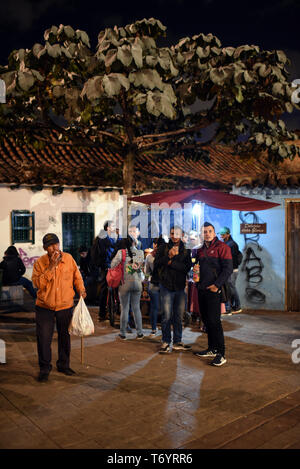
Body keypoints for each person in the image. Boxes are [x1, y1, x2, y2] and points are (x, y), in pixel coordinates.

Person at [32, 233, 86, 383]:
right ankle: (44, 368)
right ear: (45, 248)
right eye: (50, 246)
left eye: (56, 244)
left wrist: (81, 289)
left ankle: (63, 365)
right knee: (44, 338)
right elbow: (38, 284)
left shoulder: (69, 259)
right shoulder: (40, 263)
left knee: (64, 337)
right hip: (45, 307)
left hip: (65, 305)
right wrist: (51, 267)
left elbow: (77, 276)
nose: (54, 248)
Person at [193, 222, 232, 366]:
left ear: (214, 233)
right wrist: (196, 280)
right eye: (204, 232)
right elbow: (197, 268)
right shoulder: (201, 250)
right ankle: (212, 348)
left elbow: (227, 269)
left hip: (214, 291)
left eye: (209, 231)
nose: (207, 234)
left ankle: (221, 353)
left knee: (215, 322)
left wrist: (216, 285)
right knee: (207, 320)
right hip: (202, 290)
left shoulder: (223, 247)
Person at [154, 226, 192, 353]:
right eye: (172, 233)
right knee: (166, 316)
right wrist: (168, 257)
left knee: (178, 316)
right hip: (166, 286)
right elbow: (157, 264)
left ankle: (177, 341)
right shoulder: (163, 248)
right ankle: (165, 341)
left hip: (180, 287)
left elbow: (186, 268)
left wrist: (171, 263)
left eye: (177, 233)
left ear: (181, 234)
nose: (174, 236)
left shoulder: (186, 250)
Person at [110, 235, 144, 340]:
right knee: (136, 308)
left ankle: (123, 333)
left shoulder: (121, 253)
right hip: (138, 283)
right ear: (133, 242)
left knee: (124, 308)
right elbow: (140, 269)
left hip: (125, 284)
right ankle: (140, 333)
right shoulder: (140, 253)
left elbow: (112, 265)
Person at [90, 220, 120, 320]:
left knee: (107, 287)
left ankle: (107, 311)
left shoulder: (105, 237)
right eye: (113, 226)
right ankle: (102, 313)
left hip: (107, 265)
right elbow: (111, 248)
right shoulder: (104, 237)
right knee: (105, 287)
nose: (114, 228)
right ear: (108, 228)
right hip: (105, 266)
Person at [144, 237, 165, 336]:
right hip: (165, 284)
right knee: (166, 308)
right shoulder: (167, 255)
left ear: (155, 245)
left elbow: (146, 272)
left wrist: (145, 283)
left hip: (153, 283)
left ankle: (153, 329)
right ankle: (165, 329)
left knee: (154, 307)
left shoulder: (149, 256)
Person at [219, 227, 243, 314]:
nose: (221, 236)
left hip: (232, 270)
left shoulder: (232, 244)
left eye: (223, 234)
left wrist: (227, 269)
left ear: (228, 234)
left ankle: (237, 306)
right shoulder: (227, 243)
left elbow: (231, 259)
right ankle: (231, 307)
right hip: (230, 270)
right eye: (221, 234)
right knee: (229, 288)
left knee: (231, 288)